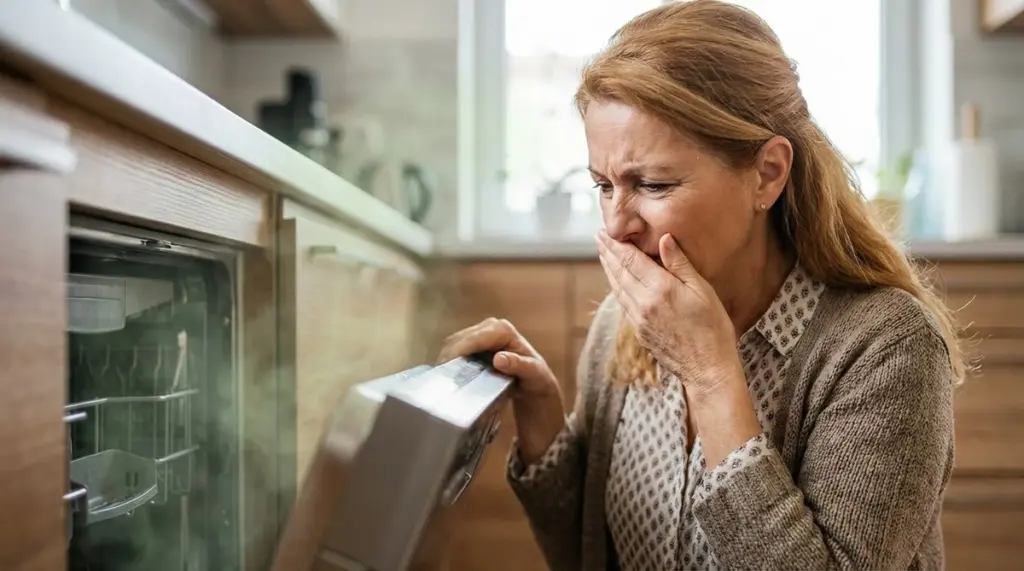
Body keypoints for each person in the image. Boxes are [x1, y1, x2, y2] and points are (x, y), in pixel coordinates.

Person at [437, 1, 962, 569]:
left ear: (767, 174)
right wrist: (541, 420)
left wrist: (711, 378)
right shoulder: (622, 322)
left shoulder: (885, 349)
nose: (616, 224)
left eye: (654, 185)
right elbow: (587, 552)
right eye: (604, 185)